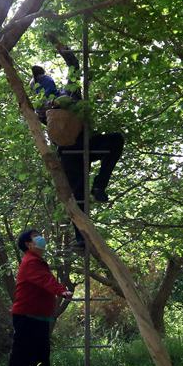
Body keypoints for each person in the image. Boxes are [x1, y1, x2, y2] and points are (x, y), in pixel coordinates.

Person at [30, 44, 124, 249]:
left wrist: (59, 46)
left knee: (79, 192)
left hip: (76, 149)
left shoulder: (48, 104)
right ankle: (82, 235)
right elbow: (73, 65)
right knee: (79, 192)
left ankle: (98, 190)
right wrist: (60, 46)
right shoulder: (58, 99)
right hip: (77, 149)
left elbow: (72, 66)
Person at [7, 228, 73, 366]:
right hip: (26, 316)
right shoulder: (30, 262)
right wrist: (61, 291)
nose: (41, 238)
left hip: (39, 316)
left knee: (41, 354)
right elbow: (46, 280)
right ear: (28, 244)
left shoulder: (37, 261)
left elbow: (45, 280)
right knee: (22, 354)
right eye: (36, 237)